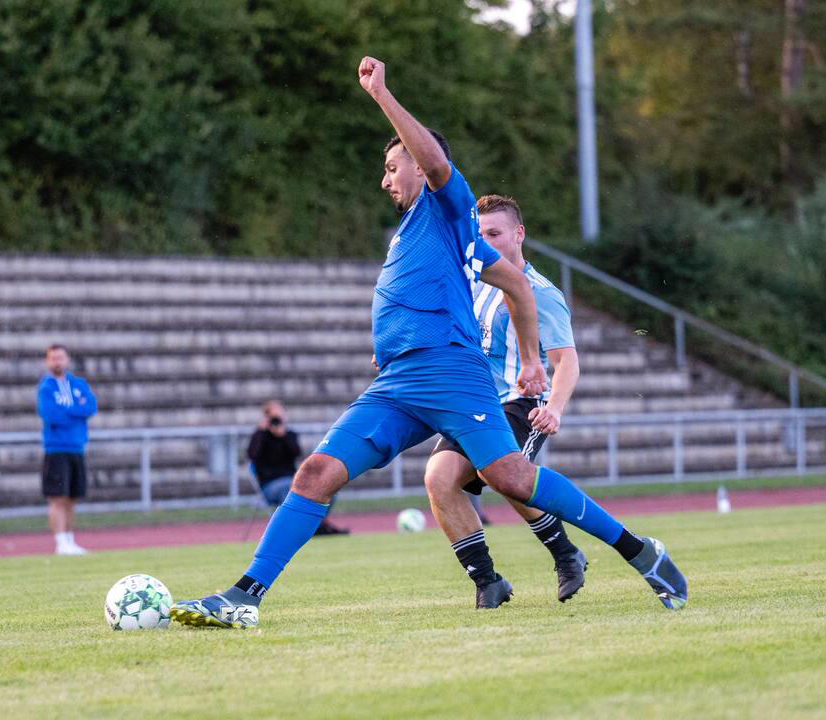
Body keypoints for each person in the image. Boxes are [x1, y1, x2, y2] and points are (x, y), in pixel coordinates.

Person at [171, 57, 685, 630]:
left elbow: (440, 166)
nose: (385, 179)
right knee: (315, 473)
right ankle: (245, 596)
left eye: (393, 167)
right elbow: (514, 282)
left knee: (511, 478)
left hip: (450, 373)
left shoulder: (445, 204)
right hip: (397, 382)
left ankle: (639, 551)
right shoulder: (435, 232)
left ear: (418, 164)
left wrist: (380, 93)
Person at [424, 194, 586, 608]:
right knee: (439, 479)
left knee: (505, 476)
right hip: (477, 402)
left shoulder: (539, 293)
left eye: (495, 234)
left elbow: (566, 360)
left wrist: (555, 408)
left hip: (521, 404)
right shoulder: (476, 282)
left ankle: (566, 555)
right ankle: (487, 579)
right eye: (480, 235)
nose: (486, 242)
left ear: (519, 234)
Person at [248, 400, 348, 536]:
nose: (276, 419)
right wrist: (262, 432)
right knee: (288, 488)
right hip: (269, 485)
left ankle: (315, 524)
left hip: (292, 480)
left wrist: (282, 436)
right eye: (273, 416)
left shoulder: (289, 435)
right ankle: (295, 531)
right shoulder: (260, 436)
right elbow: (252, 455)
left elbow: (296, 452)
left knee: (326, 486)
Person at [36, 344, 97, 555]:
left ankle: (70, 540)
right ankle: (60, 542)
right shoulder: (46, 388)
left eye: (60, 357)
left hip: (76, 447)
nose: (57, 362)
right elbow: (52, 415)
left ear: (67, 359)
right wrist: (75, 411)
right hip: (56, 449)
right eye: (53, 358)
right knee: (57, 497)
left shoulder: (78, 384)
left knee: (72, 497)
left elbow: (89, 407)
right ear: (48, 361)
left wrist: (69, 411)